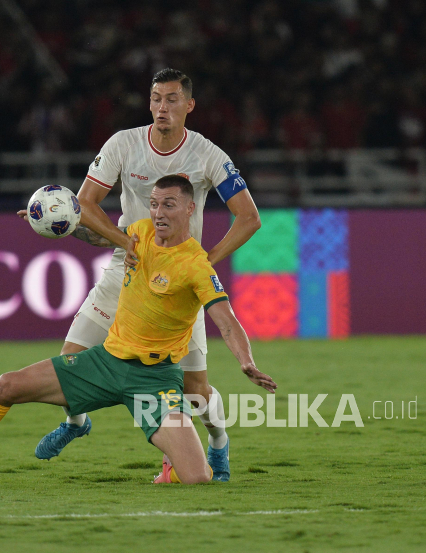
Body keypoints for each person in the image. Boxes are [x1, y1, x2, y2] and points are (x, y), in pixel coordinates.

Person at [0, 176, 275, 486]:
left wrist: (246, 362)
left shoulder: (196, 265)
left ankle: (195, 457)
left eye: (169, 205)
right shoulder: (140, 233)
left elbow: (225, 319)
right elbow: (100, 237)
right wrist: (56, 222)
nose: (159, 213)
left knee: (197, 479)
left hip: (154, 379)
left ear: (190, 209)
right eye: (155, 204)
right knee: (6, 385)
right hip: (106, 362)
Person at [28, 68, 262, 480]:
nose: (162, 107)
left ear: (189, 106)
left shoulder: (207, 155)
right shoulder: (124, 144)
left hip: (178, 282)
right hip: (128, 269)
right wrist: (124, 242)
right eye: (156, 98)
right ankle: (76, 424)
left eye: (172, 99)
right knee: (70, 363)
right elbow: (87, 202)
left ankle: (219, 443)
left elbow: (248, 217)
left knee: (194, 392)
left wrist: (205, 260)